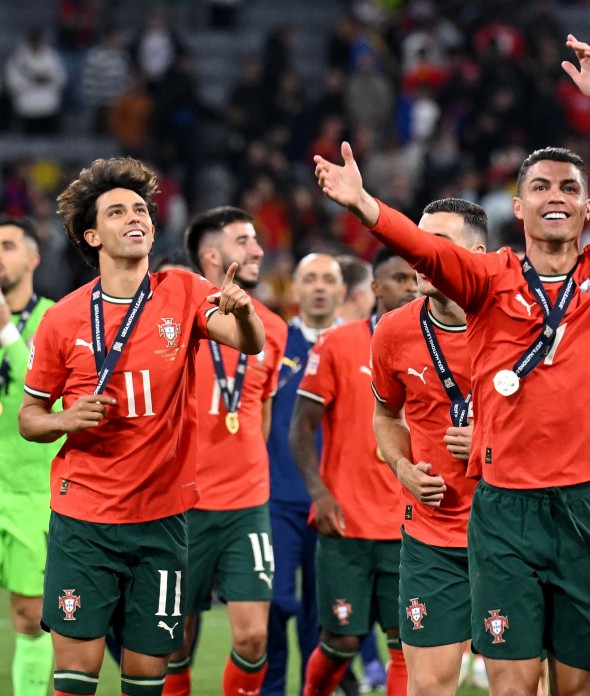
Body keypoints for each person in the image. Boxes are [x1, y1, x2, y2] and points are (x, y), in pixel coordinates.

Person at [314, 33, 590, 695]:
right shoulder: (487, 279)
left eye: (570, 185)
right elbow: (425, 251)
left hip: (586, 507)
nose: (555, 194)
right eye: (539, 186)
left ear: (589, 207)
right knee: (511, 684)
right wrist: (366, 206)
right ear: (518, 208)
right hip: (503, 508)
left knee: (579, 686)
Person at [18, 157, 265, 696]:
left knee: (147, 676)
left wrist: (243, 312)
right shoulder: (63, 318)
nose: (135, 218)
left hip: (162, 517)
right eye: (117, 211)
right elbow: (29, 418)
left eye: (140, 210)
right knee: (76, 676)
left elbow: (249, 343)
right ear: (92, 235)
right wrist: (65, 418)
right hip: (85, 517)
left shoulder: (180, 288)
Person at [160, 207, 288, 696]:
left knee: (254, 636)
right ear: (212, 256)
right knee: (174, 641)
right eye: (244, 241)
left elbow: (262, 415)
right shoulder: (173, 323)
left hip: (245, 506)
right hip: (183, 505)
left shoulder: (271, 328)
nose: (258, 250)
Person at [290, 247, 419, 696]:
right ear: (375, 289)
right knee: (341, 640)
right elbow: (300, 428)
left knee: (406, 644)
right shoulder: (338, 345)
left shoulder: (436, 348)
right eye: (398, 278)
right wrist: (319, 492)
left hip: (410, 525)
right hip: (347, 524)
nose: (409, 286)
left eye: (414, 278)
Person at [370, 198, 487, 695]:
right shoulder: (394, 330)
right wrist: (401, 465)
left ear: (478, 255)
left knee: (521, 684)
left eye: (437, 245)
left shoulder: (518, 324)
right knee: (429, 687)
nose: (420, 255)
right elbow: (385, 416)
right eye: (417, 241)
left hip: (512, 529)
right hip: (433, 537)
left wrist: (488, 444)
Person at [263, 253, 345, 696]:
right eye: (309, 279)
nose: (318, 287)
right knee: (275, 602)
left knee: (323, 614)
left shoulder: (356, 344)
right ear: (294, 290)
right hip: (277, 497)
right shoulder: (272, 342)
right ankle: (271, 689)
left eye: (327, 280)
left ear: (341, 292)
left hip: (335, 497)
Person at [0, 217, 61, 696]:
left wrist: (5, 332)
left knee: (29, 614)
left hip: (30, 493)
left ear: (32, 259)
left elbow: (50, 406)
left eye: (6, 246)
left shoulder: (55, 320)